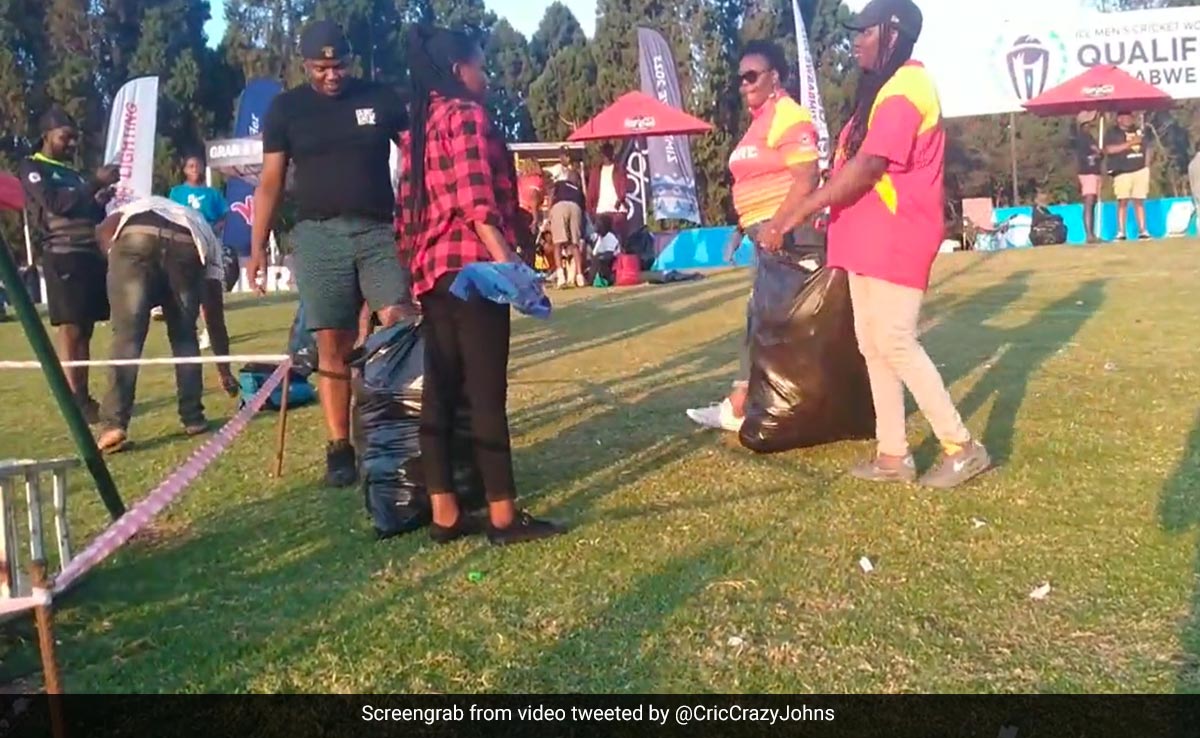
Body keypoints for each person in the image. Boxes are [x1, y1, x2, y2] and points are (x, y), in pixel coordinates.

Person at [758, 0, 991, 489]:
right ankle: (893, 454)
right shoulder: (881, 91)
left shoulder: (908, 87)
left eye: (865, 31)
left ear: (893, 32)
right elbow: (850, 165)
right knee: (873, 344)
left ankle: (961, 446)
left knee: (896, 340)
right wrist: (827, 211)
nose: (856, 40)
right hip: (864, 239)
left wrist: (798, 212)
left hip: (897, 236)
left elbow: (869, 169)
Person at [398, 25, 564, 546]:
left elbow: (405, 216)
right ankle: (502, 516)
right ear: (457, 72)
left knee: (441, 393)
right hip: (474, 270)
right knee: (488, 393)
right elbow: (477, 205)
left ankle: (446, 515)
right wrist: (512, 270)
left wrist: (414, 273)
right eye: (480, 66)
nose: (486, 76)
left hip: (433, 273)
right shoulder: (466, 115)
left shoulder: (417, 130)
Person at [249, 19, 410, 487]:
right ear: (305, 65)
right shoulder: (286, 110)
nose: (331, 75)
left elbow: (419, 155)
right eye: (321, 67)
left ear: (351, 62)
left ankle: (398, 431)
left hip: (379, 232)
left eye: (339, 65)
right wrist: (257, 248)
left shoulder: (380, 99)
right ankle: (340, 446)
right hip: (318, 236)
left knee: (400, 327)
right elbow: (271, 182)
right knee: (331, 345)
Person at [686, 39, 821, 433]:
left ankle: (743, 405)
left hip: (786, 235)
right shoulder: (759, 122)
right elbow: (756, 180)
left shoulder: (789, 115)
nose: (743, 84)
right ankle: (745, 402)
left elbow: (807, 177)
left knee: (769, 321)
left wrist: (777, 225)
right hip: (763, 233)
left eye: (751, 76)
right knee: (760, 319)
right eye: (740, 78)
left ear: (774, 76)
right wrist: (739, 227)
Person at [92, 196, 236, 452]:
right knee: (184, 336)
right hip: (187, 244)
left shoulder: (138, 205)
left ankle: (114, 424)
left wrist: (115, 261)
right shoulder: (209, 239)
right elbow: (214, 317)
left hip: (136, 235)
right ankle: (193, 418)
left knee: (128, 336)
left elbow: (104, 229)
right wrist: (225, 371)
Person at [19, 106, 118, 423]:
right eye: (66, 137)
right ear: (46, 135)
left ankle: (83, 397)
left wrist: (100, 199)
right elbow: (56, 205)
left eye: (75, 138)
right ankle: (74, 398)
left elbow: (88, 213)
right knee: (71, 329)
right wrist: (93, 184)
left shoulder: (73, 174)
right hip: (63, 255)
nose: (72, 144)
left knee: (85, 329)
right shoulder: (34, 167)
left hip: (89, 254)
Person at [169, 152, 231, 350]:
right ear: (185, 170)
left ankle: (210, 332)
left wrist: (214, 230)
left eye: (198, 165)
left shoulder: (213, 194)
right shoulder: (176, 192)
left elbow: (223, 216)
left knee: (210, 292)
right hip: (184, 244)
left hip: (208, 244)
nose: (195, 169)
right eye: (191, 166)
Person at [1104, 110, 1152, 241]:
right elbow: (1109, 150)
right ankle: (1121, 231)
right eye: (1126, 117)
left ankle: (1143, 230)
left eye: (1130, 116)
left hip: (1140, 169)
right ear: (1119, 119)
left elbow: (1147, 147)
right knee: (1123, 201)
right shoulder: (1112, 133)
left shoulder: (1139, 131)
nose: (1129, 119)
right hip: (1122, 171)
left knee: (1139, 200)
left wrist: (1147, 165)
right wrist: (1130, 144)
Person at [548, 169, 588, 288]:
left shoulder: (560, 183)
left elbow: (551, 195)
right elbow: (583, 210)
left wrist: (550, 214)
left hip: (559, 206)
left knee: (558, 244)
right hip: (575, 207)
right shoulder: (579, 192)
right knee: (574, 244)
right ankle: (579, 276)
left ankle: (561, 277)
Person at [586, 142, 627, 238]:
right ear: (602, 154)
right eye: (605, 152)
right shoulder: (596, 171)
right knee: (601, 240)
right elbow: (591, 192)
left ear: (612, 153)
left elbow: (623, 186)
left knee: (618, 239)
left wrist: (620, 199)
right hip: (601, 211)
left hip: (617, 211)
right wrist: (590, 210)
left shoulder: (619, 169)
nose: (606, 155)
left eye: (609, 152)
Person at [1073, 113, 1102, 243]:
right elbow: (1095, 151)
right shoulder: (1083, 137)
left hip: (1093, 172)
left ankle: (1092, 234)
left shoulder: (1087, 136)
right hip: (1087, 173)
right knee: (1089, 202)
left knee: (1092, 202)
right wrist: (1099, 152)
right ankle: (1089, 235)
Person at [515, 158, 546, 265]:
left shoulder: (520, 180)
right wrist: (535, 219)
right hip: (529, 214)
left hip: (517, 213)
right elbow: (534, 198)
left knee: (520, 244)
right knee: (530, 246)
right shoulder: (537, 180)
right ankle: (529, 268)